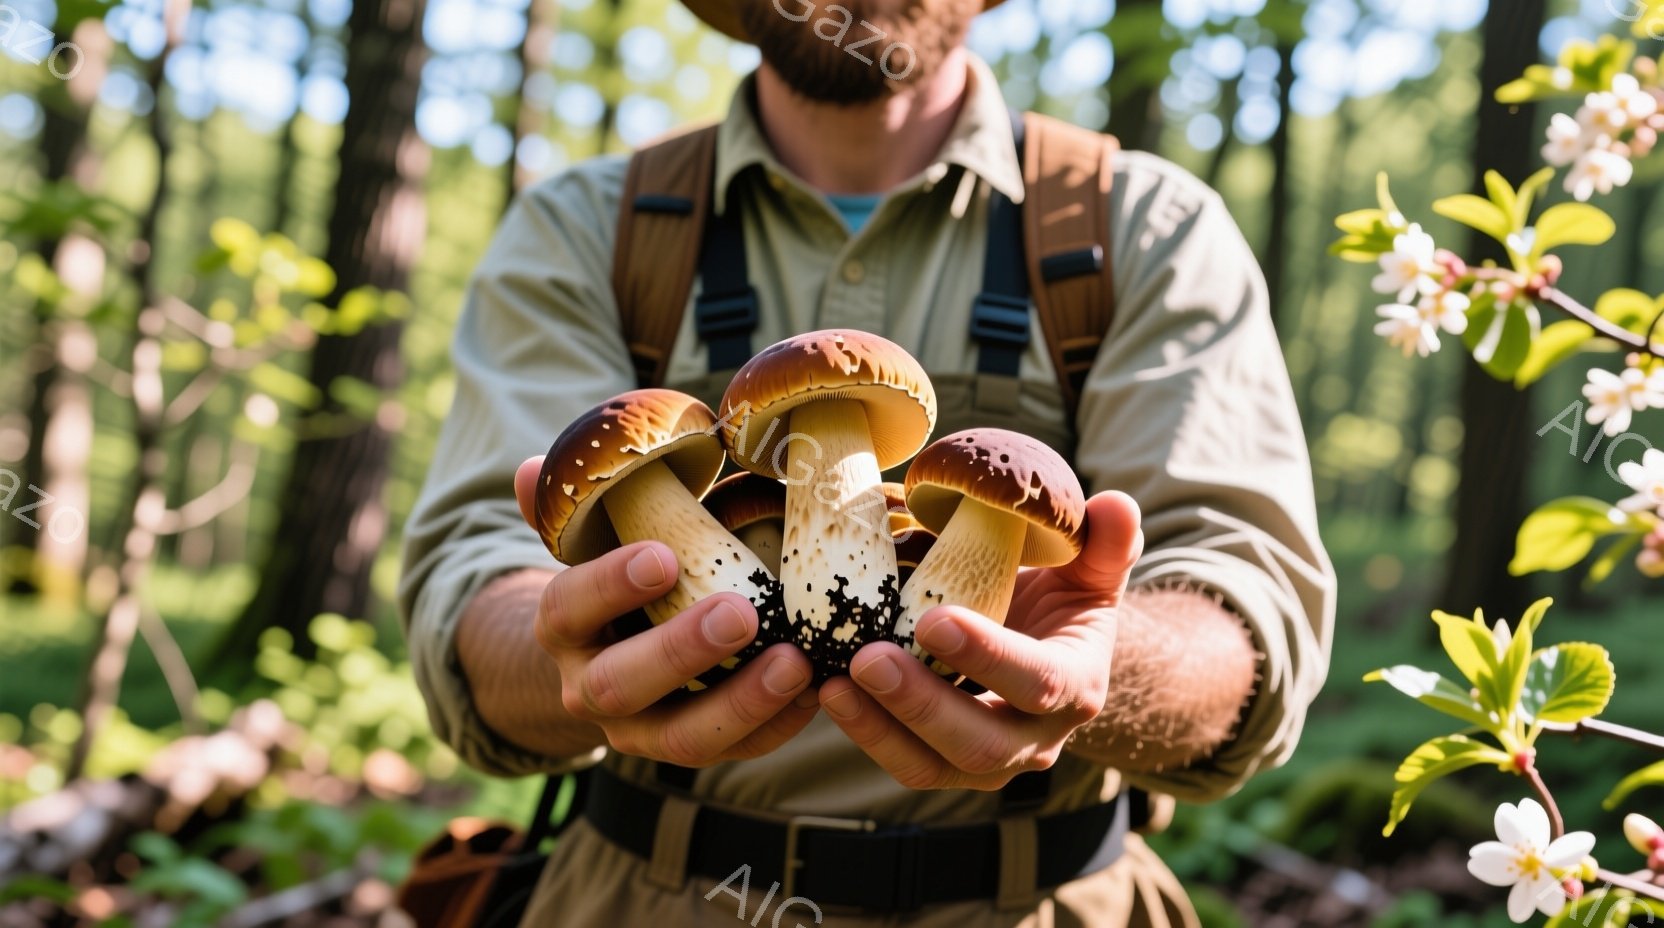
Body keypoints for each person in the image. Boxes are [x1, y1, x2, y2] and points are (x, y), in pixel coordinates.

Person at [399, 0, 1335, 924]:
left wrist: (1093, 664)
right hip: (646, 890)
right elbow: (477, 591)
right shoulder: (583, 227)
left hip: (1040, 897)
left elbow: (1248, 612)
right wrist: (568, 646)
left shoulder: (1142, 226)